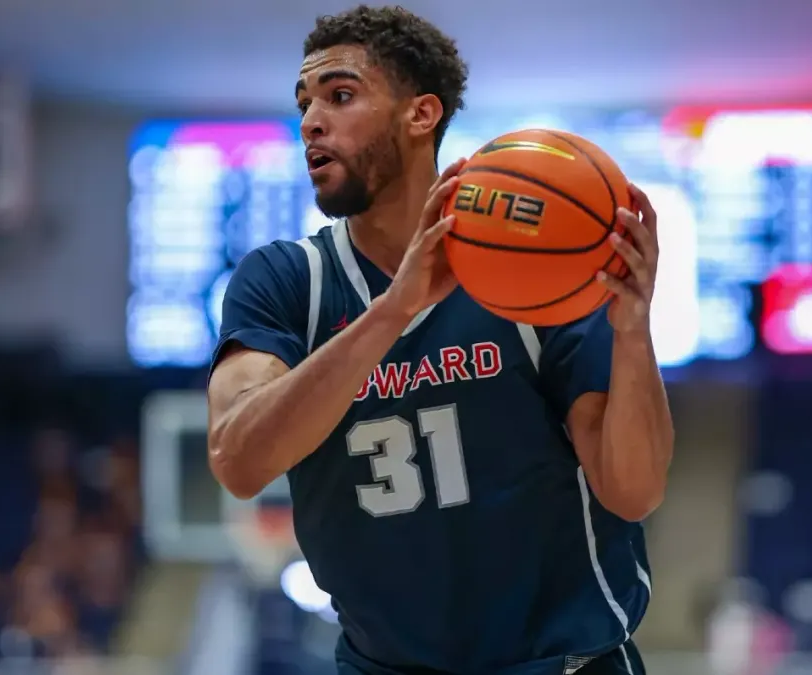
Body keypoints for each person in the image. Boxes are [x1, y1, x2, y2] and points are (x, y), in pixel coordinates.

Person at [206, 6, 674, 674]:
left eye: (340, 96)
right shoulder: (288, 281)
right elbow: (237, 459)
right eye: (305, 102)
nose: (311, 119)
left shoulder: (533, 272)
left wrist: (632, 334)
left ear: (420, 114)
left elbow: (633, 490)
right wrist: (392, 312)